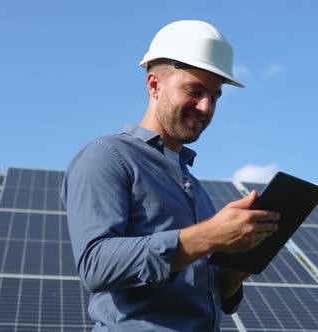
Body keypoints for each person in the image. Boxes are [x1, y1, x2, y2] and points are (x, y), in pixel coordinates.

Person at [61, 20, 280, 331]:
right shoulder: (107, 157)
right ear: (154, 85)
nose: (205, 107)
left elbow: (213, 296)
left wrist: (235, 270)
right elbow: (95, 265)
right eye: (195, 91)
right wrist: (210, 235)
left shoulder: (196, 189)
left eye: (215, 96)